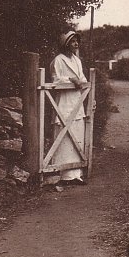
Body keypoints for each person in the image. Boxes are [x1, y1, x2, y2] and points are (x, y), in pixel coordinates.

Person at [49, 31, 88, 185]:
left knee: (77, 133)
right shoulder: (58, 60)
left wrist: (79, 81)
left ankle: (77, 173)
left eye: (77, 41)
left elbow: (83, 79)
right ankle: (65, 175)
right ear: (66, 44)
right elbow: (55, 79)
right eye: (73, 42)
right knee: (64, 135)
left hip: (77, 101)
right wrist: (71, 79)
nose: (76, 44)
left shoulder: (77, 61)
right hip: (64, 101)